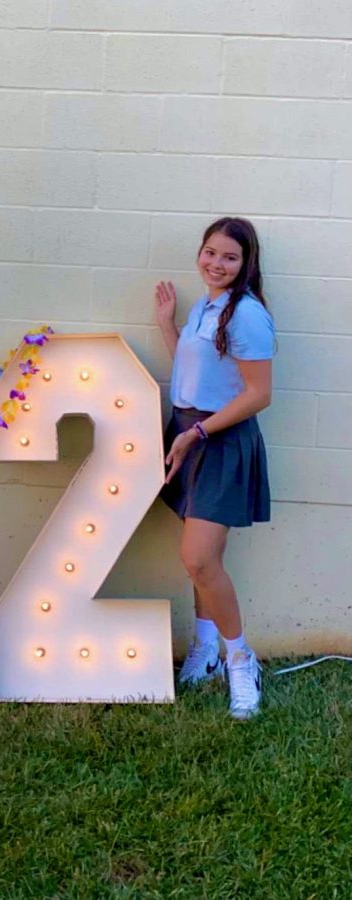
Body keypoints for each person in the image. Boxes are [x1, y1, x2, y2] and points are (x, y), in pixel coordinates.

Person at [155, 217, 275, 720]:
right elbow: (194, 371)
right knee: (198, 558)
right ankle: (206, 652)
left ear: (246, 264)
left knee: (200, 559)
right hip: (188, 433)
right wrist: (168, 326)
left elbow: (259, 394)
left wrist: (198, 434)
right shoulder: (207, 306)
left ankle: (241, 660)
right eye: (210, 252)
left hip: (217, 442)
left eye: (229, 257)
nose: (217, 264)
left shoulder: (246, 315)